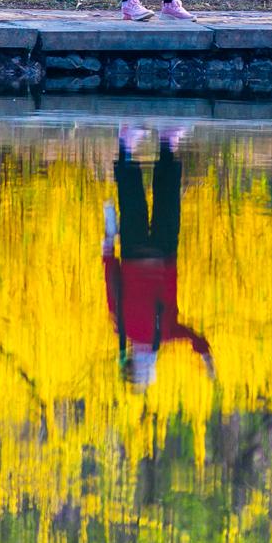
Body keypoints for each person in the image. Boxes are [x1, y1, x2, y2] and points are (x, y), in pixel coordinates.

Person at [103, 123, 214, 389]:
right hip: (162, 258)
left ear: (131, 360)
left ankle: (128, 144)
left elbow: (112, 287)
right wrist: (208, 361)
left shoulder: (126, 331)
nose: (147, 364)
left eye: (142, 369)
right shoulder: (161, 335)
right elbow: (196, 340)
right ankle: (166, 142)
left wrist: (108, 247)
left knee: (135, 202)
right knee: (165, 200)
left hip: (137, 256)